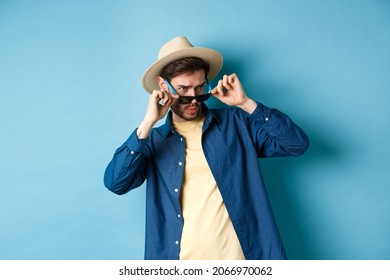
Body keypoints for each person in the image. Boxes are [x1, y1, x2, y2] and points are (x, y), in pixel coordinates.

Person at [104, 36, 309, 260]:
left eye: (200, 88)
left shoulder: (238, 124)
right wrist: (147, 124)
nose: (193, 99)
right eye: (183, 89)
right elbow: (116, 183)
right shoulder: (152, 141)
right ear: (164, 86)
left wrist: (246, 104)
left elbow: (296, 144)